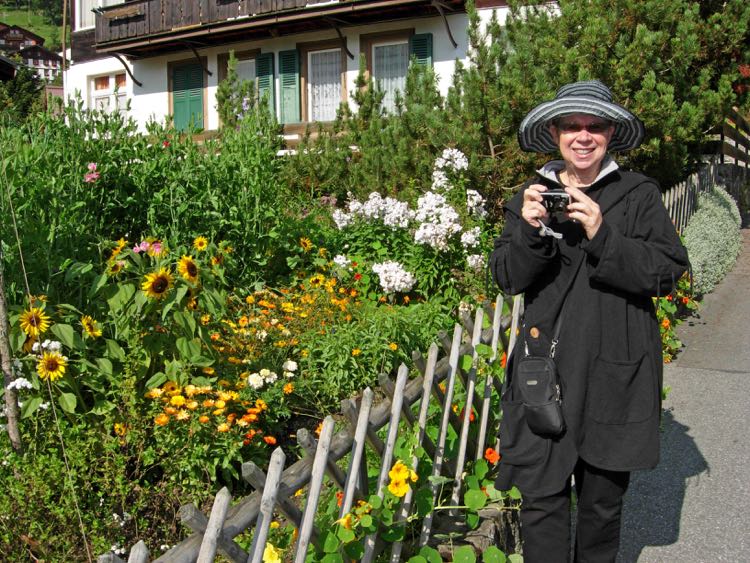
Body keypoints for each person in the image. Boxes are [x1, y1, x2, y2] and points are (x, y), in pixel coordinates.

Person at [489, 80, 688, 562]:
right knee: (541, 501)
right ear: (554, 132)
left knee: (601, 505)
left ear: (610, 133)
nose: (583, 135)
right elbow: (507, 277)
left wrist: (602, 233)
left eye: (594, 125)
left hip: (613, 368)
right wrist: (532, 230)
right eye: (572, 125)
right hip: (546, 370)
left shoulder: (636, 194)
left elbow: (667, 271)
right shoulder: (531, 195)